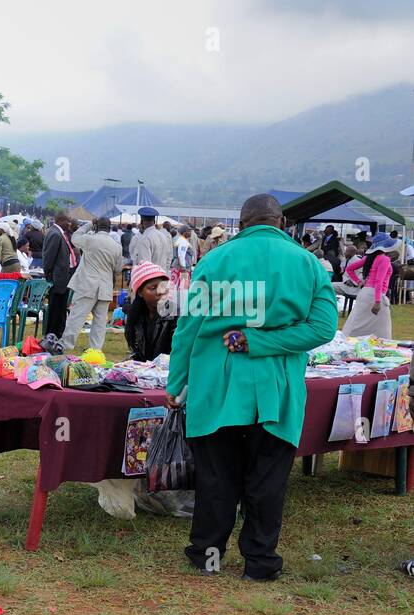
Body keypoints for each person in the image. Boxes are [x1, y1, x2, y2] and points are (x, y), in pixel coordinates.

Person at [166, 193, 336, 581]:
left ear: (241, 224)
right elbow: (324, 328)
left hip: (217, 385)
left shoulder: (215, 260)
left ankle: (207, 555)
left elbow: (188, 329)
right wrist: (264, 343)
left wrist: (176, 384)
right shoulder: (309, 263)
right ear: (281, 222)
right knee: (268, 477)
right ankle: (259, 564)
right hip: (277, 389)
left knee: (216, 476)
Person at [63, 217, 125, 352]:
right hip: (105, 287)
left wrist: (89, 224)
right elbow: (118, 268)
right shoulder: (116, 246)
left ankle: (66, 345)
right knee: (100, 322)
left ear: (96, 227)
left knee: (76, 317)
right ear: (109, 228)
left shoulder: (90, 240)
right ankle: (95, 350)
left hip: (87, 285)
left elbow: (75, 237)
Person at [341, 232, 397, 338]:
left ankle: (344, 344)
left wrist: (358, 282)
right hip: (376, 295)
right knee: (382, 330)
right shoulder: (384, 259)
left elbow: (349, 269)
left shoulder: (369, 258)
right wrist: (377, 301)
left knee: (354, 325)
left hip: (364, 293)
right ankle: (381, 350)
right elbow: (379, 281)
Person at [122, 261, 176, 361]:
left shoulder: (176, 316)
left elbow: (179, 353)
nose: (160, 292)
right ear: (140, 292)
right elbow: (139, 353)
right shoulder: (136, 317)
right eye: (153, 288)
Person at [41, 212, 78, 341]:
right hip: (57, 279)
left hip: (63, 278)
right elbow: (48, 258)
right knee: (55, 310)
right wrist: (49, 276)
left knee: (61, 309)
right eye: (68, 221)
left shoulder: (61, 233)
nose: (70, 224)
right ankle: (51, 336)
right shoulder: (55, 234)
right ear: (61, 220)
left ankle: (58, 335)